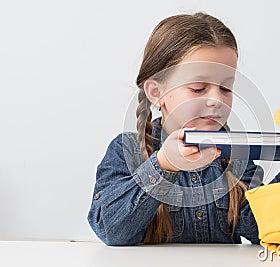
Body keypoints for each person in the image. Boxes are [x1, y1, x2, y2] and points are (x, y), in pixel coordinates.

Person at [87, 12, 269, 246]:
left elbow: (264, 229)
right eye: (198, 88)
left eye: (226, 88)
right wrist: (163, 165)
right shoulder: (127, 151)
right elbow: (111, 230)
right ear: (156, 92)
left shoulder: (234, 157)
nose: (217, 99)